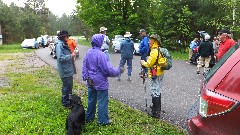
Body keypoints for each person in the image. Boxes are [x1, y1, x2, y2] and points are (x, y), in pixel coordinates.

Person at [82, 34, 124, 125]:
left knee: (91, 100)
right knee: (102, 101)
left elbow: (84, 66)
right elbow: (108, 69)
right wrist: (118, 71)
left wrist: (86, 77)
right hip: (100, 82)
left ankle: (89, 118)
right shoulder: (101, 54)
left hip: (90, 80)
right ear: (100, 42)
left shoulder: (88, 52)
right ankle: (103, 121)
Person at [141, 34, 169, 118]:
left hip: (155, 74)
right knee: (158, 90)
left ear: (155, 41)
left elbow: (149, 63)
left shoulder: (154, 51)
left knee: (154, 91)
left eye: (150, 40)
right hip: (160, 72)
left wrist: (143, 63)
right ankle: (158, 108)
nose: (149, 41)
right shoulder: (159, 49)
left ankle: (155, 113)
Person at [55, 30, 76, 108]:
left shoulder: (63, 43)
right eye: (67, 36)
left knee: (68, 86)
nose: (68, 37)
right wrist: (71, 56)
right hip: (65, 70)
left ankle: (68, 101)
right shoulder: (59, 45)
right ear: (63, 37)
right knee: (67, 87)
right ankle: (66, 103)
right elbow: (60, 58)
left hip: (67, 69)